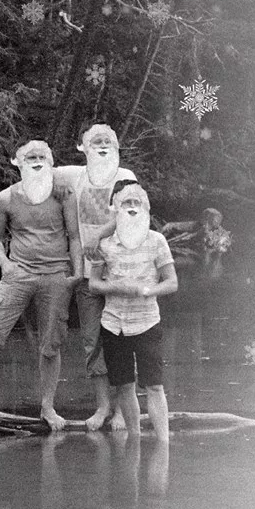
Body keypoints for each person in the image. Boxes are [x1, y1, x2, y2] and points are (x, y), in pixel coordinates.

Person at [0, 140, 81, 431]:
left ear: (50, 163)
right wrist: (6, 265)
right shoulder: (5, 199)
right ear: (18, 163)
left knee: (51, 342)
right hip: (19, 274)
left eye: (41, 157)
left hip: (56, 275)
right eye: (30, 157)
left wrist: (77, 273)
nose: (36, 161)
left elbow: (74, 236)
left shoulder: (64, 195)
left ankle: (47, 406)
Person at [54, 123, 137, 431]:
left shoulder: (124, 176)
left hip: (119, 274)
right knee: (92, 342)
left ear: (116, 148)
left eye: (108, 141)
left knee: (122, 338)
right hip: (87, 276)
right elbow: (36, 171)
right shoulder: (72, 176)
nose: (102, 145)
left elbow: (128, 212)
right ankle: (103, 407)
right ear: (84, 147)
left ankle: (121, 410)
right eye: (96, 141)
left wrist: (97, 236)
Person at [89, 181, 177, 442]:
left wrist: (147, 290)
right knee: (124, 385)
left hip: (148, 322)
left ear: (145, 208)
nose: (131, 207)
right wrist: (117, 286)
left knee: (155, 385)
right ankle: (135, 442)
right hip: (114, 324)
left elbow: (171, 282)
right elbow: (93, 284)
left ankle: (163, 445)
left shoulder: (156, 240)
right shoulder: (105, 245)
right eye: (126, 202)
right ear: (116, 208)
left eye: (137, 203)